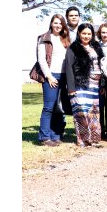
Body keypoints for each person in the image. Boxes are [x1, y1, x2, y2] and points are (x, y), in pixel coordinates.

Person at [64, 23, 104, 147]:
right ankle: (83, 140)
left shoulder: (96, 47)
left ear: (92, 35)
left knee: (93, 112)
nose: (86, 36)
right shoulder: (73, 48)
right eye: (84, 33)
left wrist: (102, 84)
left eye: (89, 34)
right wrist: (71, 88)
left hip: (95, 85)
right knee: (81, 112)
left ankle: (94, 138)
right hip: (80, 85)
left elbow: (102, 65)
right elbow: (69, 68)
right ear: (79, 34)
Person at [36, 14, 71, 146]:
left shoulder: (65, 39)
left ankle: (55, 135)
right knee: (49, 107)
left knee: (59, 108)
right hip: (51, 76)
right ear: (51, 23)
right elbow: (41, 59)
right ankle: (44, 137)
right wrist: (49, 76)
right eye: (55, 23)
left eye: (60, 23)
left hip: (64, 76)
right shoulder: (44, 38)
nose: (58, 25)